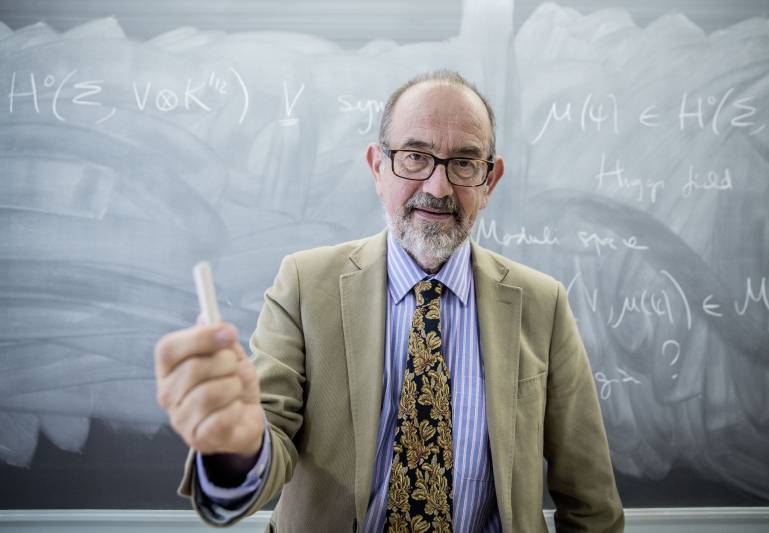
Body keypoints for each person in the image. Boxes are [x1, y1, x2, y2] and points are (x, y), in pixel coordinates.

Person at [154, 70, 624, 532]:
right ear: (378, 168)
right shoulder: (303, 284)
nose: (438, 188)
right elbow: (268, 434)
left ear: (490, 182)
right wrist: (237, 444)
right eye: (415, 157)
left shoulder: (543, 304)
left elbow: (591, 503)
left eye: (464, 162)